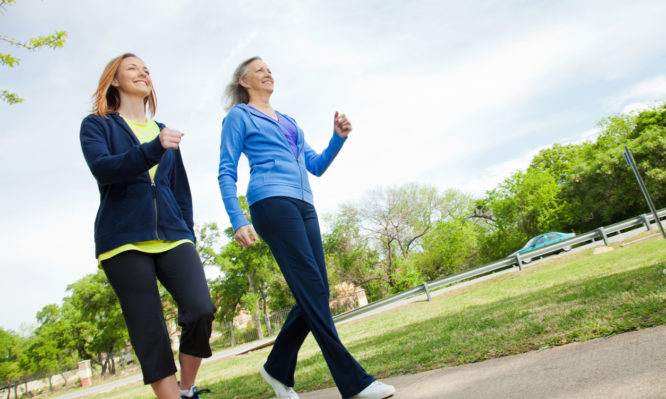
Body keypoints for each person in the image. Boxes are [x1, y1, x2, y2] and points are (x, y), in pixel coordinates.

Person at [218, 56, 395, 399]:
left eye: (270, 69)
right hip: (270, 201)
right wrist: (237, 219)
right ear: (243, 82)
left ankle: (276, 368)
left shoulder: (289, 122)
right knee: (313, 289)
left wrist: (338, 138)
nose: (268, 73)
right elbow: (226, 170)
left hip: (304, 204)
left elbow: (315, 165)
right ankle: (354, 382)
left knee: (316, 292)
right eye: (259, 70)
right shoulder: (239, 117)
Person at [80, 53, 216, 399]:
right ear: (114, 80)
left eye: (146, 69)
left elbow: (179, 190)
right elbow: (105, 168)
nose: (143, 72)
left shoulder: (162, 130)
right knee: (150, 330)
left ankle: (187, 390)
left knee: (200, 309)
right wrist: (152, 149)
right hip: (123, 241)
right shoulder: (98, 125)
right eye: (132, 68)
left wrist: (189, 232)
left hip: (173, 236)